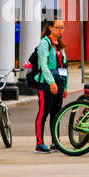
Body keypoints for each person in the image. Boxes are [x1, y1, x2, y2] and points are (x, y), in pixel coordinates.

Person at [30, 19, 68, 153]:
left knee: (56, 114)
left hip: (59, 83)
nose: (60, 30)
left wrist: (65, 86)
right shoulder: (44, 43)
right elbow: (43, 65)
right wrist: (51, 82)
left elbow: (64, 66)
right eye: (58, 27)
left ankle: (55, 142)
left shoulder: (60, 45)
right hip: (46, 83)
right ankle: (39, 143)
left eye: (62, 28)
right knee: (43, 113)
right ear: (50, 28)